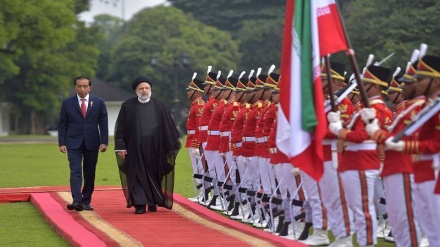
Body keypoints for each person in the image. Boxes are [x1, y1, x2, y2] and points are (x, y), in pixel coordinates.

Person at [114, 76, 181, 214]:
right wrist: (121, 147)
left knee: (155, 174)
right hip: (134, 148)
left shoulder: (160, 106)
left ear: (150, 89)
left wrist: (170, 145)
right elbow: (120, 128)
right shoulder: (128, 106)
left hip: (156, 148)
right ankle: (139, 204)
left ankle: (152, 201)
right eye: (141, 88)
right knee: (137, 174)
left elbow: (168, 127)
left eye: (147, 88)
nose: (144, 91)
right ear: (136, 91)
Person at [58, 76, 108, 211]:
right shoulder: (67, 103)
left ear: (90, 88)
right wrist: (62, 142)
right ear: (75, 87)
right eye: (79, 86)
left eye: (85, 86)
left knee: (90, 172)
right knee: (75, 171)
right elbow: (63, 124)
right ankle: (76, 200)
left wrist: (104, 142)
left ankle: (85, 201)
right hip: (73, 142)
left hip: (92, 142)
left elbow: (103, 123)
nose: (82, 89)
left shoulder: (98, 102)